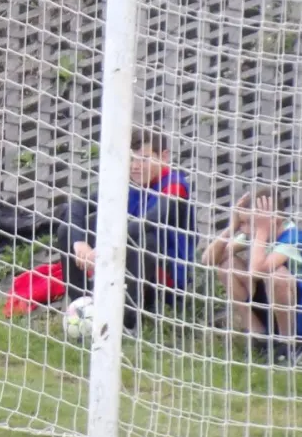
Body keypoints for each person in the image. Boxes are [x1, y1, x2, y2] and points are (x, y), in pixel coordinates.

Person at [40, 127, 197, 327]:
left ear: (164, 157)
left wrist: (105, 247)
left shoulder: (174, 185)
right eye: (131, 159)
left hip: (164, 275)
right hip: (123, 258)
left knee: (145, 240)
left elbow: (150, 221)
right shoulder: (126, 182)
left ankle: (128, 321)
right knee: (67, 230)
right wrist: (80, 244)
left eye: (144, 159)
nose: (135, 166)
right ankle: (83, 309)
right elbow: (77, 206)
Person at [200, 186, 302, 366]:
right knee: (227, 266)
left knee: (277, 275)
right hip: (275, 307)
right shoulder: (254, 233)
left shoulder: (294, 237)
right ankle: (260, 338)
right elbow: (208, 259)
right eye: (242, 223)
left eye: (249, 223)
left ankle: (289, 345)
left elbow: (257, 271)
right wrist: (232, 228)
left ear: (274, 219)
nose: (245, 230)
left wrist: (262, 231)